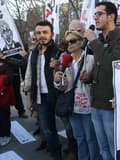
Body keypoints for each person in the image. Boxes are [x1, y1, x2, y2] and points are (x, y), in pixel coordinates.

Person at [81, 2, 120, 159]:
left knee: (114, 148)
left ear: (111, 16)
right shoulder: (100, 39)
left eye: (99, 14)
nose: (95, 17)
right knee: (103, 148)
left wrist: (93, 42)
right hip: (96, 102)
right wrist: (89, 76)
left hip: (111, 105)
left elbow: (113, 65)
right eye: (94, 14)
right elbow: (101, 66)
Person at [54, 30, 101, 160]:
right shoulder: (65, 61)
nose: (69, 44)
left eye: (72, 41)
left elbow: (99, 81)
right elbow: (62, 88)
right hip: (72, 107)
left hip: (88, 107)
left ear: (81, 42)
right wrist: (57, 80)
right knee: (79, 138)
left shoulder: (91, 59)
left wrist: (89, 78)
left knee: (91, 139)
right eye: (66, 42)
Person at [24, 21, 62, 160]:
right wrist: (29, 98)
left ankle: (72, 151)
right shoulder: (34, 52)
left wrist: (57, 67)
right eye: (39, 33)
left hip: (58, 95)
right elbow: (29, 75)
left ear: (51, 33)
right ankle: (55, 153)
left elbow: (67, 73)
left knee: (70, 128)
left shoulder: (58, 50)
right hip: (40, 96)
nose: (42, 35)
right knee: (46, 127)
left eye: (45, 32)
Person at [0, 20, 28, 118]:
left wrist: (24, 79)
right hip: (3, 77)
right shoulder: (1, 48)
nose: (6, 34)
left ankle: (21, 111)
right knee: (3, 95)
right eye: (3, 32)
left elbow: (23, 63)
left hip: (15, 76)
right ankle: (4, 114)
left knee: (17, 94)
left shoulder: (18, 46)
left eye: (7, 31)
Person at [0, 57, 16, 146]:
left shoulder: (7, 64)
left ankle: (5, 135)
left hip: (3, 96)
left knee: (4, 116)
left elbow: (9, 79)